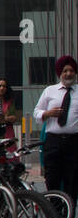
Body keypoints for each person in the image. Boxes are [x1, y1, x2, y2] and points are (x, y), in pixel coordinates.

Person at [34, 55, 78, 209]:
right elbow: (36, 112)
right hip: (53, 141)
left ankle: (68, 216)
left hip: (73, 142)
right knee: (52, 178)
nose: (68, 74)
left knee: (71, 181)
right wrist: (47, 114)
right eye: (65, 71)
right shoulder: (49, 91)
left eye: (71, 70)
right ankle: (55, 214)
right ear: (60, 73)